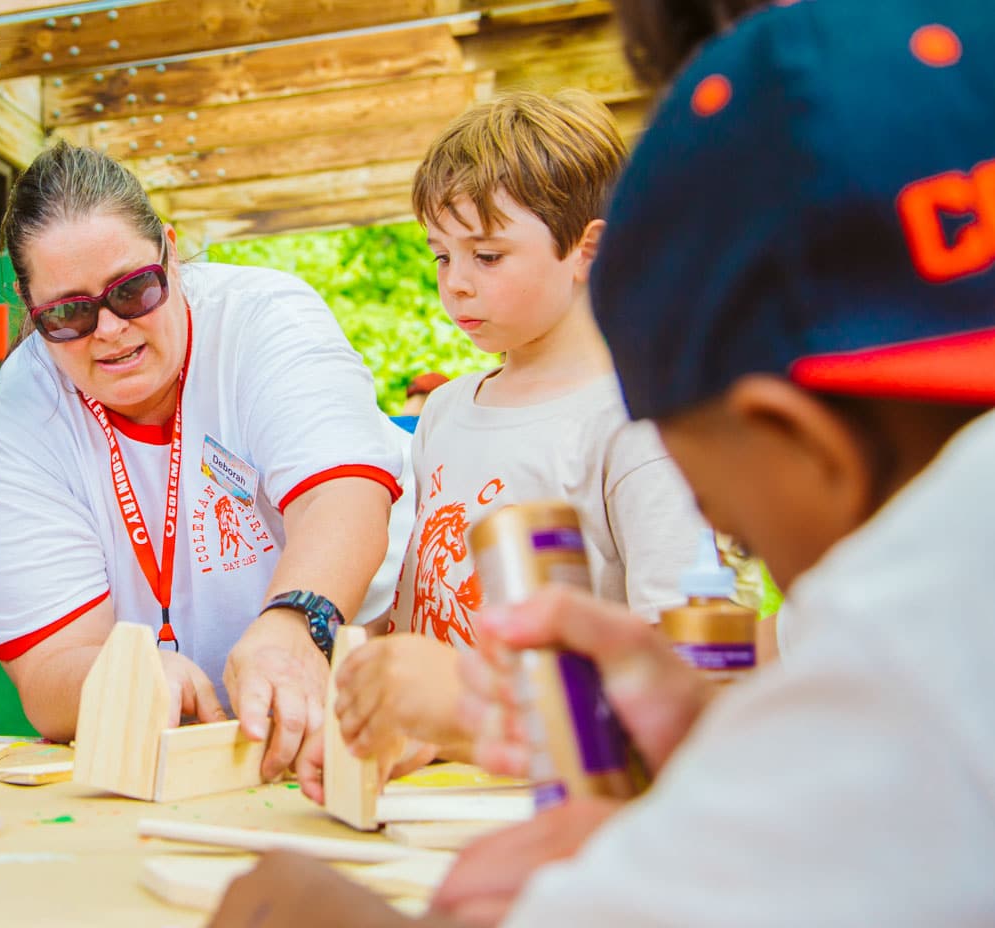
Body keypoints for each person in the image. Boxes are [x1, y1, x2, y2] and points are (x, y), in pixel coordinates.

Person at [211, 0, 995, 924]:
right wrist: (694, 743)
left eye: (730, 516)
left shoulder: (908, 665)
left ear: (802, 442)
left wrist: (306, 912)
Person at [0, 142, 414, 778]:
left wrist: (297, 623)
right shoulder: (12, 421)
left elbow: (342, 498)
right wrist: (129, 676)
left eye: (133, 289)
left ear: (170, 253)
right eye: (68, 314)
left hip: (358, 700)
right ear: (28, 306)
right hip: (197, 757)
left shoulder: (264, 319)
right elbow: (49, 669)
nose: (111, 330)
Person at [322, 91, 704, 778]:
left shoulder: (634, 425)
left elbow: (677, 663)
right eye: (441, 256)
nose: (456, 286)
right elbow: (423, 593)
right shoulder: (444, 411)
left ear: (590, 249)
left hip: (558, 789)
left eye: (488, 256)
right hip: (423, 785)